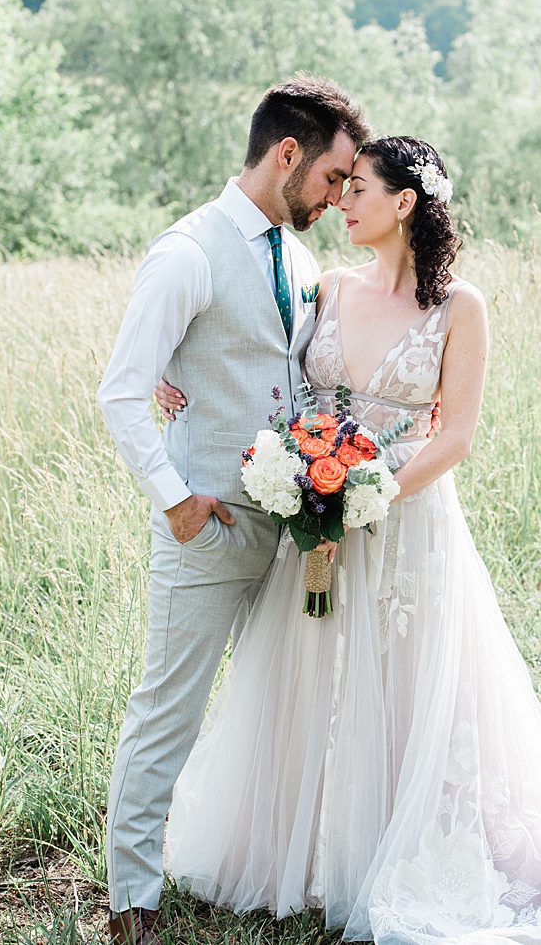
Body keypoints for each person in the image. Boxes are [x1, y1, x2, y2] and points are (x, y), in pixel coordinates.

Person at [157, 136, 541, 945]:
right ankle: (302, 851)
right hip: (314, 516)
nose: (340, 201)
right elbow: (254, 356)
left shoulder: (458, 307)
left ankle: (406, 849)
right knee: (313, 677)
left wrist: (368, 494)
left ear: (405, 202)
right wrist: (176, 376)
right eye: (341, 186)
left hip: (404, 519)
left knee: (404, 685)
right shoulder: (324, 288)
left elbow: (456, 435)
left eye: (358, 188)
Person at [96, 74, 372, 945]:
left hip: (292, 529)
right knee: (167, 708)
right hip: (206, 525)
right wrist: (176, 503)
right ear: (287, 154)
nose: (337, 197)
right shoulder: (187, 251)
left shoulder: (296, 256)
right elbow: (121, 393)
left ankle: (261, 863)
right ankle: (131, 897)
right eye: (332, 177)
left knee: (280, 706)